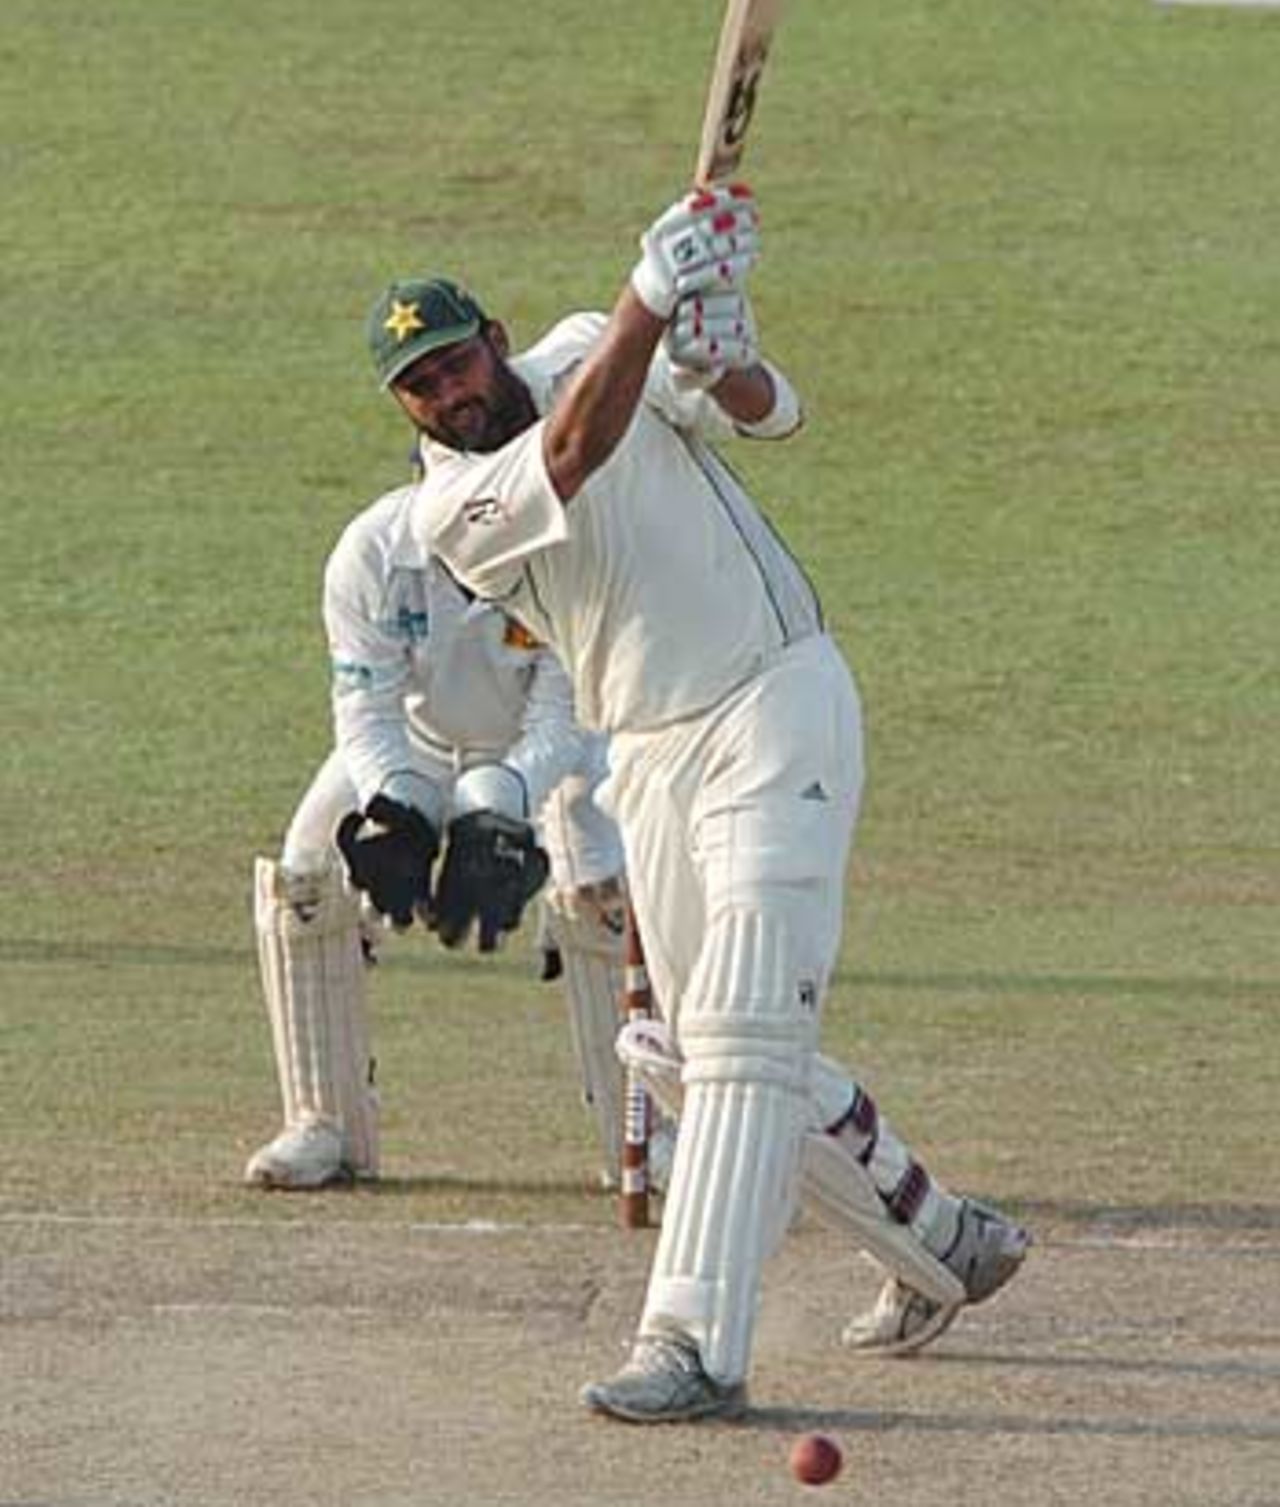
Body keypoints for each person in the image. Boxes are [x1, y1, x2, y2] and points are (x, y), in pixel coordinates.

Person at [362, 186, 1029, 1423]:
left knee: (734, 1031)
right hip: (652, 750)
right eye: (421, 386)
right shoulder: (447, 510)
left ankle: (690, 1343)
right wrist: (650, 296)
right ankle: (943, 1240)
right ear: (404, 408)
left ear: (495, 338)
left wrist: (721, 350)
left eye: (456, 361)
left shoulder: (581, 341)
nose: (448, 393)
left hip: (775, 699)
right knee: (678, 1050)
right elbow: (573, 448)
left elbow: (772, 416)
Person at [244, 467, 657, 1195]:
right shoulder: (371, 550)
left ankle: (643, 1136)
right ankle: (323, 1122)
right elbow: (366, 707)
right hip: (415, 746)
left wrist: (498, 803)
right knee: (306, 869)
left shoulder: (564, 547)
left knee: (603, 886)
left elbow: (563, 714)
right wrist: (395, 807)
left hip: (553, 758)